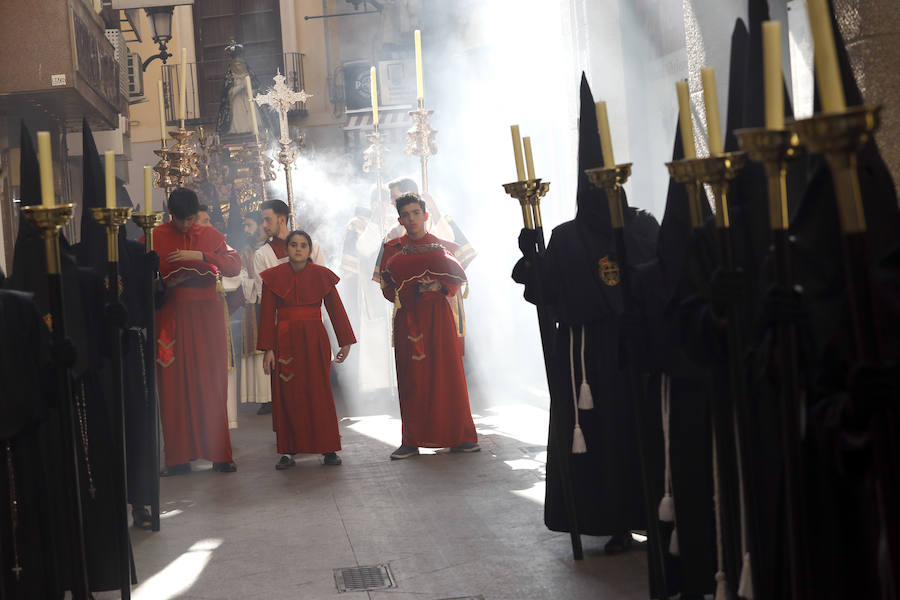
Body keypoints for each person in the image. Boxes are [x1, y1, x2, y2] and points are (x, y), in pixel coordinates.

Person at [377, 193, 478, 460]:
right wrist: (408, 290)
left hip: (439, 318)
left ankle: (461, 437)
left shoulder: (443, 246)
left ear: (425, 215)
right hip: (408, 319)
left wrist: (440, 286)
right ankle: (411, 440)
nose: (411, 219)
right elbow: (386, 289)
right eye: (406, 215)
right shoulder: (390, 248)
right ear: (400, 219)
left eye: (416, 213)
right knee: (412, 378)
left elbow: (454, 282)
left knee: (449, 375)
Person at [153, 187, 241, 475]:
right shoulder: (154, 237)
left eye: (191, 219)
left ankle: (220, 454)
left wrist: (200, 254)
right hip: (171, 317)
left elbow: (233, 266)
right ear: (171, 215)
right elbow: (139, 273)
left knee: (211, 381)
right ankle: (178, 459)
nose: (187, 225)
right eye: (181, 220)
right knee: (172, 385)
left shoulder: (211, 235)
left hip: (206, 315)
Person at [257, 230, 356, 469]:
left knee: (319, 391)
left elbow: (336, 310)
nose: (298, 249)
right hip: (285, 341)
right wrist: (268, 349)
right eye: (293, 245)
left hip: (314, 339)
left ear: (309, 250)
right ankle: (288, 450)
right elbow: (267, 314)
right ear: (286, 249)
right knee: (286, 394)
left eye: (303, 245)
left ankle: (328, 447)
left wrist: (345, 341)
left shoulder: (322, 276)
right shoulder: (273, 278)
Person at [252, 199, 326, 414]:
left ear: (281, 219)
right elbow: (262, 297)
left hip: (311, 326)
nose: (264, 225)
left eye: (267, 219)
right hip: (281, 329)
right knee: (288, 385)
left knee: (315, 384)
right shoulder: (262, 255)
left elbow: (323, 284)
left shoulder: (312, 247)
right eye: (262, 220)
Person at [238, 210, 271, 406]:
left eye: (249, 225)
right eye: (244, 226)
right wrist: (250, 285)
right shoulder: (246, 251)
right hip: (253, 305)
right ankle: (263, 397)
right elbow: (241, 276)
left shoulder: (272, 249)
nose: (246, 229)